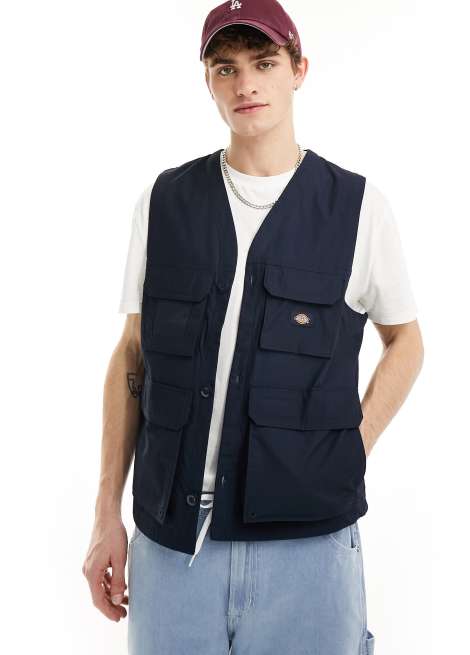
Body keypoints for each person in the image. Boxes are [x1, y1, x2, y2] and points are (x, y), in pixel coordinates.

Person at [82, 1, 424, 653]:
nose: (245, 84)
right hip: (172, 546)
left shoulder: (358, 209)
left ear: (299, 70)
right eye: (226, 68)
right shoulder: (164, 203)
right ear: (208, 80)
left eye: (264, 63)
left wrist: (351, 446)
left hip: (309, 548)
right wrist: (106, 515)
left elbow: (406, 342)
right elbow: (132, 354)